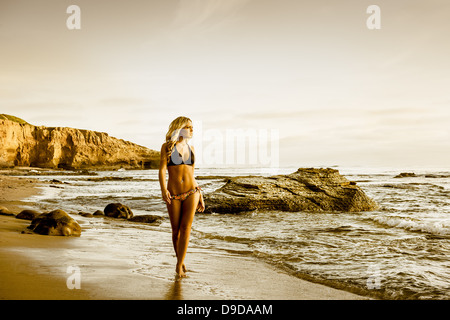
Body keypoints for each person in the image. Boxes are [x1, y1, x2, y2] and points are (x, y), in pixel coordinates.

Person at [159, 116, 205, 278]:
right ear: (180, 128)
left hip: (192, 191)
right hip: (174, 194)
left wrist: (201, 194)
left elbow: (192, 174)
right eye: (188, 127)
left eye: (192, 127)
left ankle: (179, 265)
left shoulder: (191, 148)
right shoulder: (167, 147)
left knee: (186, 228)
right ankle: (180, 259)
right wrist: (163, 189)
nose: (192, 130)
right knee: (176, 231)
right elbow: (163, 170)